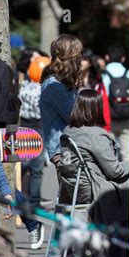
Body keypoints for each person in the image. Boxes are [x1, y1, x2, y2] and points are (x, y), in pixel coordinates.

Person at [59, 90, 129, 228]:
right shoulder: (95, 135)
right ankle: (124, 235)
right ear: (96, 109)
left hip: (74, 190)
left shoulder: (68, 131)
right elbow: (115, 171)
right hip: (94, 190)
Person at [17, 47, 49, 249]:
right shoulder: (42, 89)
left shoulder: (23, 87)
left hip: (24, 128)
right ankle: (33, 206)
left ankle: (24, 201)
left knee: (23, 168)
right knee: (37, 170)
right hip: (40, 129)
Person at [40, 35, 83, 167]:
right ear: (71, 58)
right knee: (73, 185)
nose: (82, 58)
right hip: (64, 151)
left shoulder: (63, 82)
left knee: (72, 186)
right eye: (79, 54)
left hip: (70, 146)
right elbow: (74, 117)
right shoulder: (54, 86)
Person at [102, 45, 129, 162]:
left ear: (107, 57)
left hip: (109, 119)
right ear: (123, 59)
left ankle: (113, 179)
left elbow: (103, 97)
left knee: (110, 154)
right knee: (128, 154)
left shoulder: (104, 75)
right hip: (127, 118)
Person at [81, 49, 111, 131]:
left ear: (90, 63)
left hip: (95, 125)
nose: (80, 62)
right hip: (77, 125)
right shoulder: (72, 81)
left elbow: (104, 104)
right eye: (78, 59)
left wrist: (106, 127)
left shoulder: (97, 83)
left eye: (84, 59)